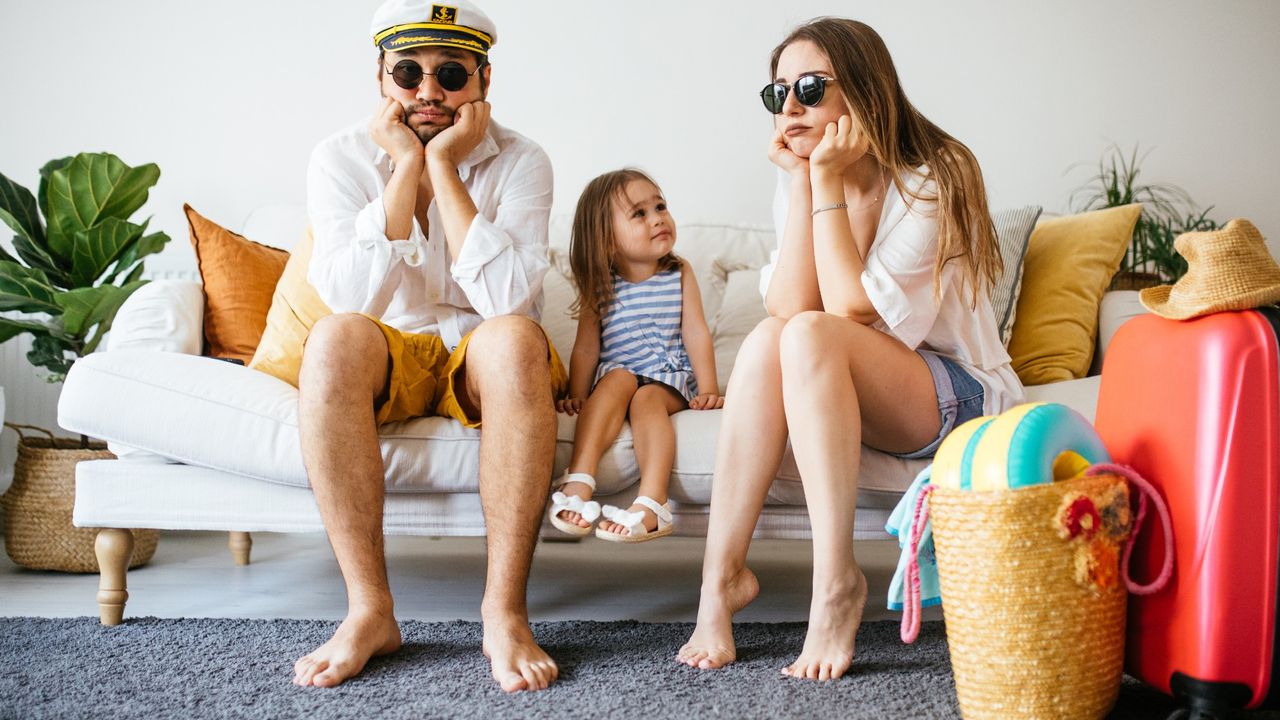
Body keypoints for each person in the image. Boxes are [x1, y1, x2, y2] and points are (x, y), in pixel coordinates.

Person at [676, 18, 1024, 680]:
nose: (790, 108)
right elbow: (786, 306)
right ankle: (718, 583)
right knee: (769, 337)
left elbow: (849, 311)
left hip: (960, 395)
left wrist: (826, 182)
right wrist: (806, 183)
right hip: (861, 381)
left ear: (863, 91)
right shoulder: (803, 177)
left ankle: (837, 583)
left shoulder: (934, 176)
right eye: (776, 93)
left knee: (808, 332)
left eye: (809, 87)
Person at [289, 0, 566, 692]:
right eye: (408, 73)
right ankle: (369, 611)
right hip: (395, 349)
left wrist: (444, 168)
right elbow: (352, 303)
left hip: (485, 353)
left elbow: (506, 303)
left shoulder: (524, 161)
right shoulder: (339, 158)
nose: (428, 93)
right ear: (382, 80)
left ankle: (504, 613)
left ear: (483, 79)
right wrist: (403, 169)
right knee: (332, 340)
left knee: (511, 339)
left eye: (450, 75)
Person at [549, 169, 723, 542]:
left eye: (660, 206)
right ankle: (580, 478)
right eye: (639, 213)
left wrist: (707, 386)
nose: (658, 217)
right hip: (618, 373)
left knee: (646, 398)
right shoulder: (601, 282)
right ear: (607, 240)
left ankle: (651, 503)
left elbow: (695, 332)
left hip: (667, 377)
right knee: (618, 379)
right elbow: (587, 347)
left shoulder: (678, 271)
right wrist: (577, 393)